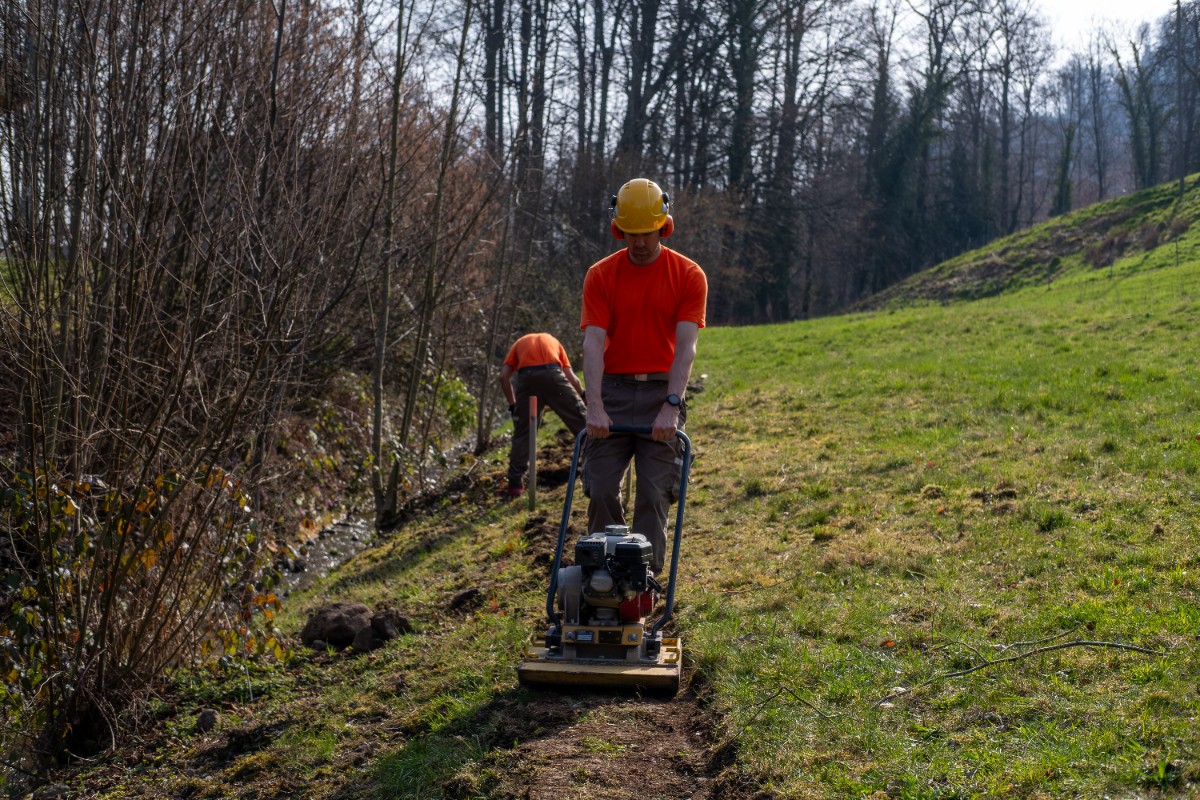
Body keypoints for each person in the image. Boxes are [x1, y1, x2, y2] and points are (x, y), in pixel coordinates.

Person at [580, 178, 707, 575]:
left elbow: (685, 348)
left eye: (646, 233)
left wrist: (672, 405)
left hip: (661, 393)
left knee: (654, 493)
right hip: (613, 392)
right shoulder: (601, 275)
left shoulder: (688, 275)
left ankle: (643, 580)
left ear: (663, 227)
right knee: (601, 489)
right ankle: (603, 574)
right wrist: (594, 405)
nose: (638, 242)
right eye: (631, 234)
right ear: (618, 230)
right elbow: (593, 343)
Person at [498, 332, 587, 497]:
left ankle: (515, 484)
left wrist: (513, 405)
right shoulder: (554, 342)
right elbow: (573, 379)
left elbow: (503, 377)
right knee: (583, 423)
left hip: (527, 381)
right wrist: (582, 396)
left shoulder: (519, 343)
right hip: (553, 376)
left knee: (523, 433)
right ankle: (598, 463)